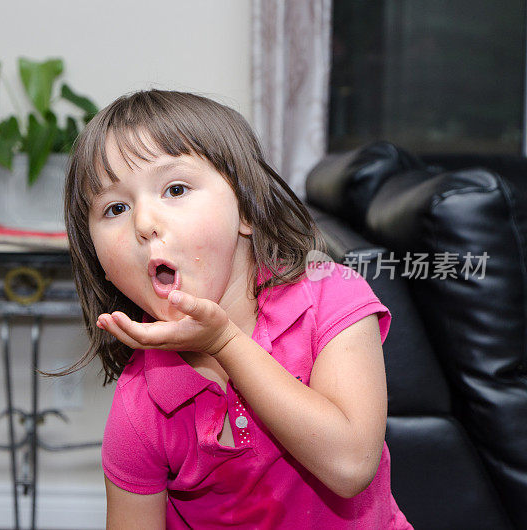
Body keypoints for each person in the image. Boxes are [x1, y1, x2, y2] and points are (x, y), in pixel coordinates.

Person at [60, 89, 412, 529]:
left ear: (245, 209)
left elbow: (350, 465)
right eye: (116, 207)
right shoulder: (141, 404)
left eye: (175, 188)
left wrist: (225, 343)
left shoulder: (331, 298)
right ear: (100, 262)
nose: (144, 223)